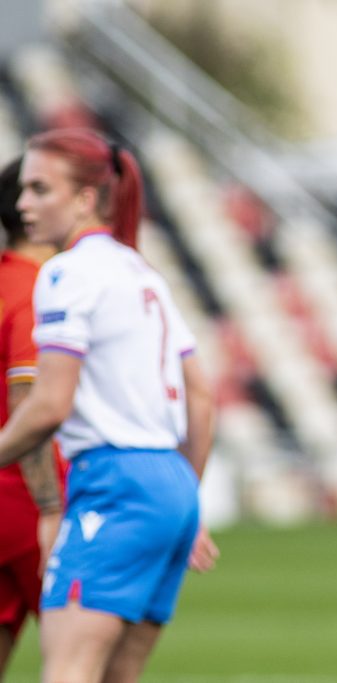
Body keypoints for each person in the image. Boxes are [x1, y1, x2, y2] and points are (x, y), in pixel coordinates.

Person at [0, 128, 216, 683]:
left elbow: (49, 404)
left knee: (69, 671)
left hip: (112, 482)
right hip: (171, 484)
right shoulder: (141, 270)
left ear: (86, 198)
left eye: (39, 189)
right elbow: (203, 395)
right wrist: (185, 494)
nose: (23, 204)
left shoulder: (65, 273)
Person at [0, 156, 63, 677]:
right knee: (90, 663)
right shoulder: (41, 293)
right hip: (26, 499)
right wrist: (50, 508)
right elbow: (31, 408)